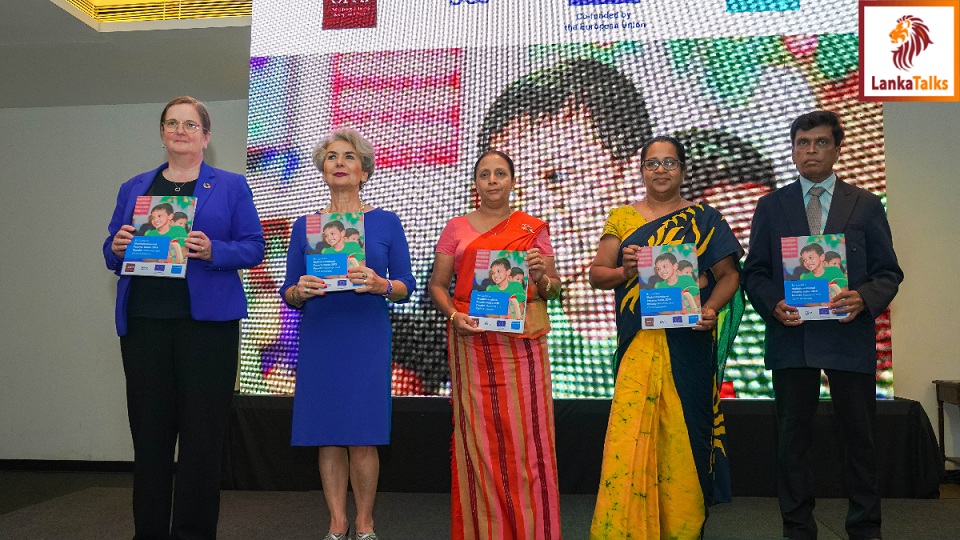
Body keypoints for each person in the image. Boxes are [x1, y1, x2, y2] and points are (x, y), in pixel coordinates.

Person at [103, 96, 265, 539]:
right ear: (161, 133)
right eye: (172, 123)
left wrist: (215, 250)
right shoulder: (134, 187)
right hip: (144, 324)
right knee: (149, 436)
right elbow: (111, 251)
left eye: (190, 124)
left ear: (205, 137)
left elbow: (254, 246)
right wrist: (115, 248)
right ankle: (149, 532)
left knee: (202, 437)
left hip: (207, 328)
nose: (180, 130)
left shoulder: (230, 186)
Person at [742, 110, 903, 540]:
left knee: (860, 441)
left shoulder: (865, 204)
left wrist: (863, 297)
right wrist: (773, 304)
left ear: (837, 148)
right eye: (802, 143)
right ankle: (797, 529)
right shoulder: (771, 205)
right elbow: (754, 272)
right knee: (792, 443)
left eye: (820, 142)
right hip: (792, 335)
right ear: (793, 150)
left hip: (848, 335)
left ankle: (865, 529)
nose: (810, 150)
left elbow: (888, 273)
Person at [588, 136, 743, 539]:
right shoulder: (622, 219)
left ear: (683, 170)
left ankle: (682, 528)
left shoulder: (705, 219)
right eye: (652, 163)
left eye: (670, 163)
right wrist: (624, 271)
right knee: (630, 435)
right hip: (639, 344)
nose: (661, 170)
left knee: (685, 435)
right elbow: (596, 275)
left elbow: (729, 277)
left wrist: (711, 309)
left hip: (688, 344)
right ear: (641, 170)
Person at [281, 128, 415, 540]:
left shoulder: (386, 222)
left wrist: (381, 284)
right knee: (327, 435)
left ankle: (365, 523)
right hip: (321, 336)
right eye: (332, 157)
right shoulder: (305, 226)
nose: (339, 162)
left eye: (349, 157)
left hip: (365, 336)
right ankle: (337, 522)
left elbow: (406, 285)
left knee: (362, 435)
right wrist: (299, 291)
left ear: (364, 171)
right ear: (323, 169)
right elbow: (288, 291)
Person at [429, 150, 563, 540]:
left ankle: (533, 531)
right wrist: (454, 316)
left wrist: (540, 275)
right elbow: (438, 286)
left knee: (527, 443)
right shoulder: (456, 228)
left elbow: (553, 290)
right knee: (480, 443)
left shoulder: (532, 228)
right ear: (475, 183)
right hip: (471, 344)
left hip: (522, 349)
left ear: (512, 181)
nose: (492, 180)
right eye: (484, 174)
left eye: (500, 173)